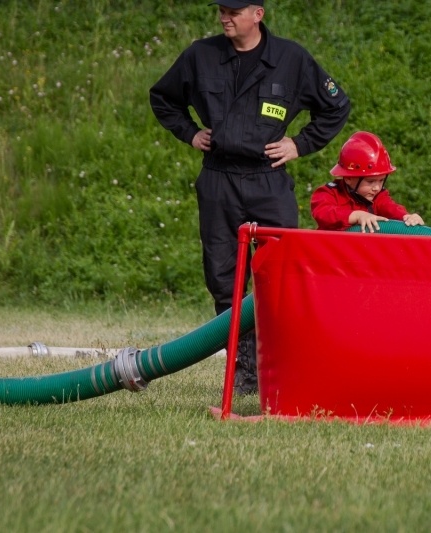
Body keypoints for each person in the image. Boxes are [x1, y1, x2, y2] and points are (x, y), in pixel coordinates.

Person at [149, 0, 351, 395]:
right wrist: (190, 133)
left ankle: (282, 365)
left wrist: (300, 144)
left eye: (233, 11)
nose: (224, 17)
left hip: (267, 180)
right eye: (221, 10)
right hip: (219, 179)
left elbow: (336, 106)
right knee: (224, 278)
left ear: (257, 14)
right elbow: (163, 98)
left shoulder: (290, 59)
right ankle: (244, 370)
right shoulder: (201, 55)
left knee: (280, 276)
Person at [311, 131, 424, 233]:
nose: (376, 188)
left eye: (381, 180)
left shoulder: (378, 197)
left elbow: (390, 207)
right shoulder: (329, 193)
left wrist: (406, 217)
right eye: (370, 181)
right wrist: (357, 216)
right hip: (330, 248)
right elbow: (323, 213)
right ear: (348, 178)